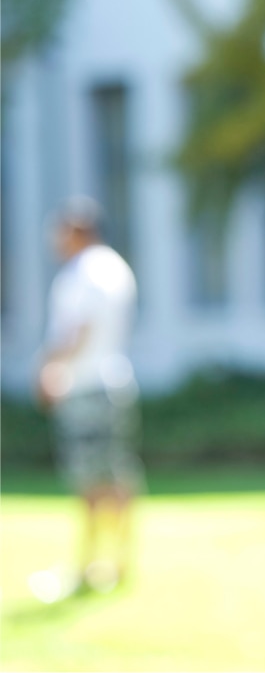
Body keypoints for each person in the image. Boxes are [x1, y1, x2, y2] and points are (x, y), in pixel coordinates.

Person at [32, 195, 143, 600]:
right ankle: (120, 562)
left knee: (90, 480)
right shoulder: (116, 268)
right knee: (117, 474)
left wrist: (46, 367)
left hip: (85, 387)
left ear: (78, 229)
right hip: (113, 382)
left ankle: (88, 564)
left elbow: (75, 333)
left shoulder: (83, 273)